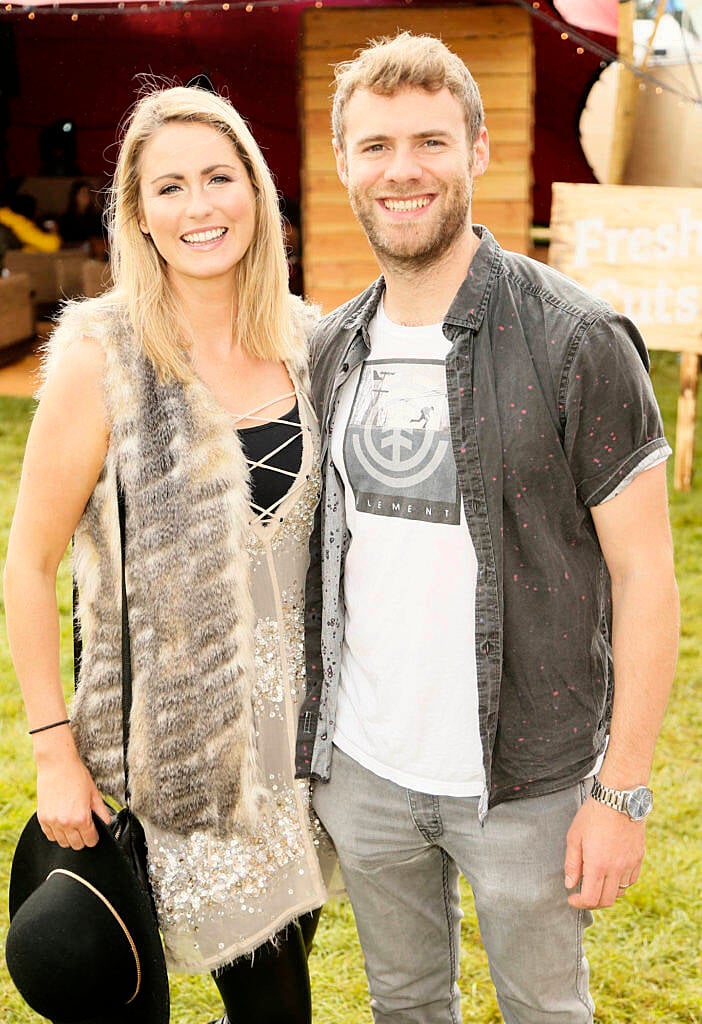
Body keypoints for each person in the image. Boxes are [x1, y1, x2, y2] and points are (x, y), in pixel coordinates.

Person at [295, 32, 679, 1024]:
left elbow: (646, 577)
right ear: (344, 164)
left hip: (527, 781)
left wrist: (620, 791)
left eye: (430, 139)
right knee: (405, 1004)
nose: (402, 169)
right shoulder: (333, 345)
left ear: (478, 150)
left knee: (544, 1010)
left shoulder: (578, 338)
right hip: (367, 771)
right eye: (375, 146)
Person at [3, 85, 332, 1024]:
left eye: (220, 178)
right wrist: (53, 751)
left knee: (277, 992)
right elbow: (27, 565)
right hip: (169, 767)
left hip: (296, 762)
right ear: (139, 216)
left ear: (257, 193)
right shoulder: (99, 354)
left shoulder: (309, 343)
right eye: (171, 188)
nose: (200, 208)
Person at [59, 179, 106, 259]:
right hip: (75, 253)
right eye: (83, 194)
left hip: (97, 252)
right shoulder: (67, 218)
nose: (86, 197)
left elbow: (102, 236)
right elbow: (65, 240)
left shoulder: (96, 216)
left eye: (88, 194)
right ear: (75, 196)